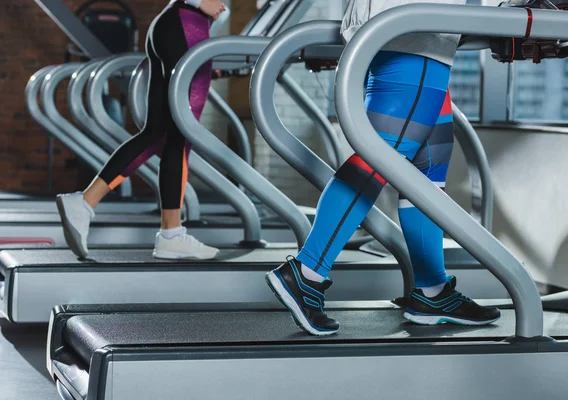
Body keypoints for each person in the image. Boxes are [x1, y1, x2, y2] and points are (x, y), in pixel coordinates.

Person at [266, 0, 501, 336]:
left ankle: (432, 291)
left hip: (422, 39)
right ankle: (306, 273)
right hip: (416, 37)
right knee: (377, 159)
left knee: (426, 176)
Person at [56, 0, 227, 260]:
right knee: (179, 135)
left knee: (159, 133)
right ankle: (170, 234)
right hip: (188, 23)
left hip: (173, 24)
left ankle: (87, 203)